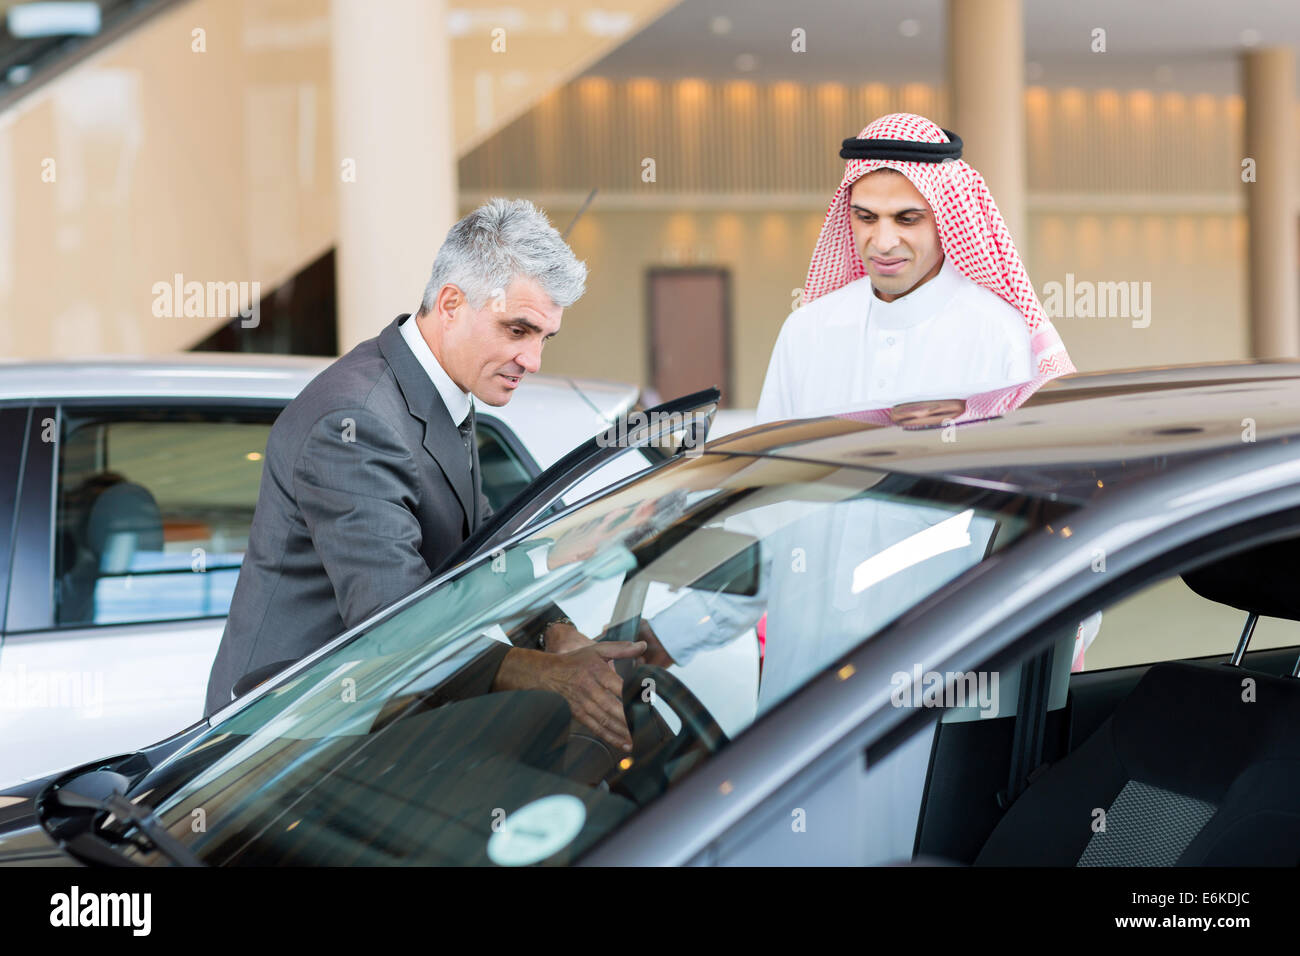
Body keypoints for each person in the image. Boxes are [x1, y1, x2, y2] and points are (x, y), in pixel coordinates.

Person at [204, 198, 645, 751]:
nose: (532, 360)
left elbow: (485, 553)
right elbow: (394, 619)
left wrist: (553, 633)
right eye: (517, 330)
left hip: (358, 720)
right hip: (273, 750)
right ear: (452, 303)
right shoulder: (358, 419)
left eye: (543, 338)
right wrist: (544, 672)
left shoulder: (440, 389)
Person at [757, 112, 1074, 429]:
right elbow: (766, 462)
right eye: (866, 217)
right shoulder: (804, 332)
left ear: (947, 220)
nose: (882, 243)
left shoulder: (1000, 333)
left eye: (907, 219)